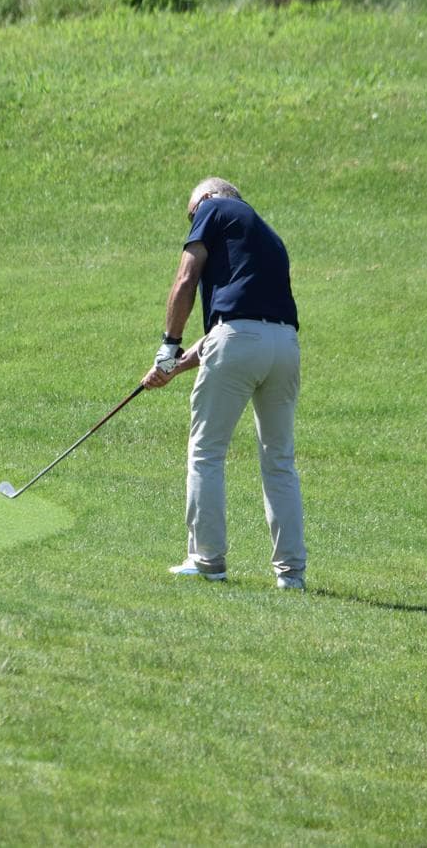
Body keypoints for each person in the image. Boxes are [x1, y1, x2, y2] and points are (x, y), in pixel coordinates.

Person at [141, 177, 307, 590]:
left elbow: (186, 281)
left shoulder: (213, 209)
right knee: (279, 460)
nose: (193, 221)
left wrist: (167, 347)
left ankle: (207, 560)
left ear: (210, 198)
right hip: (285, 346)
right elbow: (234, 328)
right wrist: (176, 367)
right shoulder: (267, 235)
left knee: (206, 451)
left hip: (240, 343)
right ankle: (291, 576)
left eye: (191, 213)